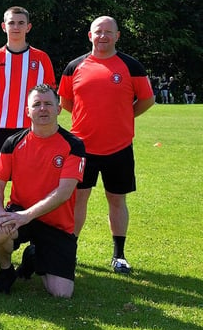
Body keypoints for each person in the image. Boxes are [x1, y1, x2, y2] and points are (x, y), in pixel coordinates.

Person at [58, 16, 154, 274]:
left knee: (117, 200)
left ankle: (119, 255)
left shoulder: (131, 66)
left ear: (117, 36)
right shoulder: (74, 66)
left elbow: (147, 99)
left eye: (108, 32)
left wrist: (124, 116)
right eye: (98, 32)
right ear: (90, 35)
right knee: (78, 200)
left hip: (119, 147)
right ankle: (70, 251)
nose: (103, 36)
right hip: (81, 147)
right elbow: (65, 101)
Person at [0, 85, 85, 298]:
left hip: (57, 224)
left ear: (59, 109)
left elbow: (64, 193)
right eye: (37, 104)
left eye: (48, 104)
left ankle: (34, 256)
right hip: (20, 213)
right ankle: (6, 272)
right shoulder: (13, 143)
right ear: (27, 111)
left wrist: (27, 215)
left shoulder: (74, 145)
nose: (43, 109)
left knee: (61, 293)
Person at [0, 6, 55, 180]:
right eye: (11, 23)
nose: (16, 27)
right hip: (0, 128)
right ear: (3, 26)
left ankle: (28, 208)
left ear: (28, 27)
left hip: (31, 128)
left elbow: (50, 95)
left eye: (21, 23)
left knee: (30, 176)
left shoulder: (41, 58)